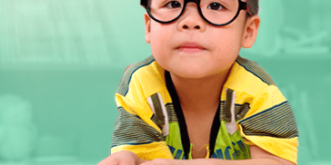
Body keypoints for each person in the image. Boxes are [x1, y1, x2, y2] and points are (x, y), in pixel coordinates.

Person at [98, 0, 298, 164]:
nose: (191, 21)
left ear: (247, 32)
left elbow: (279, 162)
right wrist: (128, 158)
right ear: (149, 26)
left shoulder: (258, 90)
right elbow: (143, 157)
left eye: (215, 6)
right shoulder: (141, 84)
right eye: (173, 3)